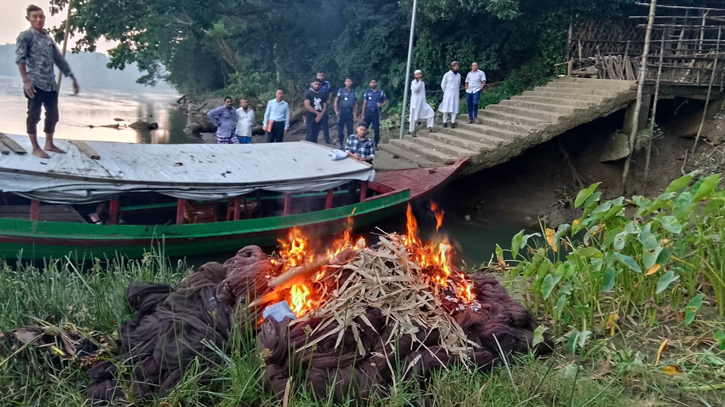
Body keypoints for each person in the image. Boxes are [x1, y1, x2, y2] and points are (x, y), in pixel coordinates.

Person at [15, 4, 80, 159]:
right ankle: (35, 147)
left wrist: (72, 78)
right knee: (34, 116)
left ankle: (49, 143)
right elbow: (20, 59)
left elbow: (59, 59)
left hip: (50, 84)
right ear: (28, 19)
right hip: (34, 83)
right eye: (35, 17)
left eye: (41, 16)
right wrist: (26, 81)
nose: (39, 20)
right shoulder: (25, 36)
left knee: (53, 116)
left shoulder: (48, 39)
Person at [345, 122, 375, 204]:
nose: (362, 131)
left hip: (365, 164)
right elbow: (347, 150)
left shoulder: (369, 141)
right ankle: (351, 203)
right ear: (357, 129)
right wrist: (354, 156)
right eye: (361, 129)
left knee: (368, 184)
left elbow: (372, 155)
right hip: (353, 163)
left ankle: (364, 201)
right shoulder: (351, 138)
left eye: (364, 130)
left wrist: (364, 159)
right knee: (352, 185)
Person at [362, 79, 387, 150]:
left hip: (376, 112)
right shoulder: (367, 92)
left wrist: (381, 105)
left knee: (376, 129)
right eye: (371, 82)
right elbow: (365, 103)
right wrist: (363, 114)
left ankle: (375, 144)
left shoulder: (381, 92)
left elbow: (385, 101)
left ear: (376, 83)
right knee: (364, 127)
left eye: (374, 82)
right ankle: (363, 142)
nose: (373, 84)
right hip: (368, 111)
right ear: (370, 84)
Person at [409, 70, 435, 136]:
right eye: (417, 74)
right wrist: (420, 82)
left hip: (423, 103)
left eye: (420, 74)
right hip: (415, 103)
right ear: (415, 76)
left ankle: (429, 127)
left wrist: (420, 82)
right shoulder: (413, 82)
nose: (419, 75)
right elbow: (415, 89)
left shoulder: (422, 83)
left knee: (431, 112)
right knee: (414, 117)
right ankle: (412, 131)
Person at [310, 71, 334, 144]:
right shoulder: (313, 83)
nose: (321, 77)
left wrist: (329, 100)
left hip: (324, 105)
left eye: (322, 75)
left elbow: (330, 91)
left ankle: (327, 139)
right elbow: (310, 94)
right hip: (315, 106)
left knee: (325, 123)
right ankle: (312, 139)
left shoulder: (327, 83)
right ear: (316, 76)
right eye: (319, 75)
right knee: (314, 122)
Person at [335, 78, 358, 148]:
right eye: (347, 81)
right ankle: (340, 143)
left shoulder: (354, 92)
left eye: (350, 81)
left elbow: (355, 103)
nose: (349, 82)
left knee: (350, 129)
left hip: (350, 112)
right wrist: (336, 111)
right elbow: (336, 101)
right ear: (345, 83)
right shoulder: (341, 90)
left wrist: (355, 114)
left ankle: (349, 144)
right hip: (342, 112)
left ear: (352, 82)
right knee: (340, 128)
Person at [439, 61, 461, 129]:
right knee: (446, 108)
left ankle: (452, 122)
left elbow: (458, 84)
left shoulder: (458, 75)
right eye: (456, 66)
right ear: (452, 66)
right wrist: (446, 92)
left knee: (454, 108)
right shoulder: (447, 75)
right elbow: (443, 85)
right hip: (448, 94)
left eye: (458, 66)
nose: (457, 68)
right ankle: (444, 122)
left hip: (455, 94)